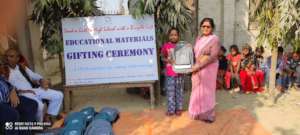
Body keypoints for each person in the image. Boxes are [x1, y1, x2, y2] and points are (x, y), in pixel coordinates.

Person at [4, 48, 63, 122]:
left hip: (33, 90)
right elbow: (4, 84)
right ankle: (39, 124)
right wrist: (11, 91)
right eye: (6, 56)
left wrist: (41, 80)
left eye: (11, 56)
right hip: (21, 94)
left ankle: (47, 116)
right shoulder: (3, 69)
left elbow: (34, 75)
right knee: (39, 106)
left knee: (58, 95)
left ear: (17, 58)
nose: (8, 58)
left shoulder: (21, 67)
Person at [189, 18, 220, 123]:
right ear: (201, 27)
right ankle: (198, 112)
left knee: (207, 91)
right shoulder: (199, 38)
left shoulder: (214, 39)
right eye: (204, 26)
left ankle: (208, 115)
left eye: (208, 26)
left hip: (209, 69)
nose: (206, 28)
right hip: (198, 67)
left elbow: (213, 56)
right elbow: (196, 53)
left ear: (212, 28)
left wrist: (198, 66)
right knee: (197, 90)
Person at [0, 59, 38, 135]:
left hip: (7, 98)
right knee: (12, 115)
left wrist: (12, 90)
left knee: (32, 104)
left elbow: (6, 83)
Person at [161, 27, 184, 116]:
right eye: (171, 35)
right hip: (170, 73)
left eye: (175, 35)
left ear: (178, 36)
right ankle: (171, 109)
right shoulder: (166, 46)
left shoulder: (182, 46)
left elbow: (186, 58)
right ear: (169, 36)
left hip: (180, 73)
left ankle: (178, 109)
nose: (173, 37)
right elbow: (162, 57)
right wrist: (168, 60)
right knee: (170, 92)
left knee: (179, 91)